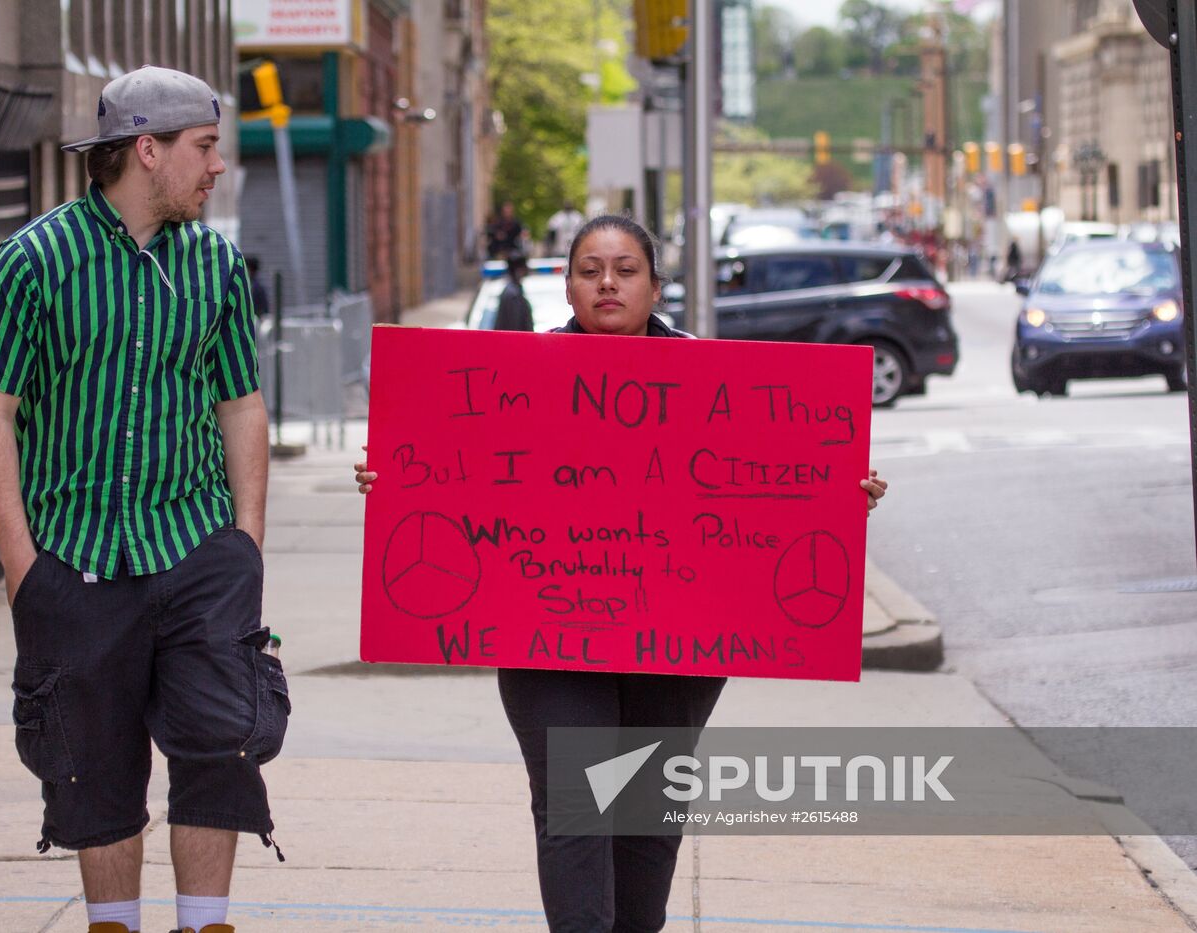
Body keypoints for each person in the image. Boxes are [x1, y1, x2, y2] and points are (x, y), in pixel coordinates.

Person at [353, 215, 888, 931]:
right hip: (549, 638)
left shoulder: (716, 378)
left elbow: (785, 482)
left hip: (679, 643)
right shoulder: (512, 377)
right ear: (568, 285)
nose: (608, 281)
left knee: (644, 814)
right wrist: (391, 478)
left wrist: (843, 491)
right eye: (590, 268)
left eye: (626, 268)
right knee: (576, 808)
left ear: (655, 286)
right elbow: (439, 466)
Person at [0, 65, 287, 933]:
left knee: (222, 744)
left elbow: (241, 403)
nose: (216, 167)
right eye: (205, 148)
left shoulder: (214, 266)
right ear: (148, 150)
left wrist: (245, 541)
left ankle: (206, 923)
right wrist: (23, 565)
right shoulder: (30, 263)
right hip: (77, 560)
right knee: (93, 767)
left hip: (198, 548)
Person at [492, 253, 534, 331]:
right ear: (518, 270)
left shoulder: (513, 292)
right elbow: (515, 327)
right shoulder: (513, 295)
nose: (526, 271)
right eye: (524, 268)